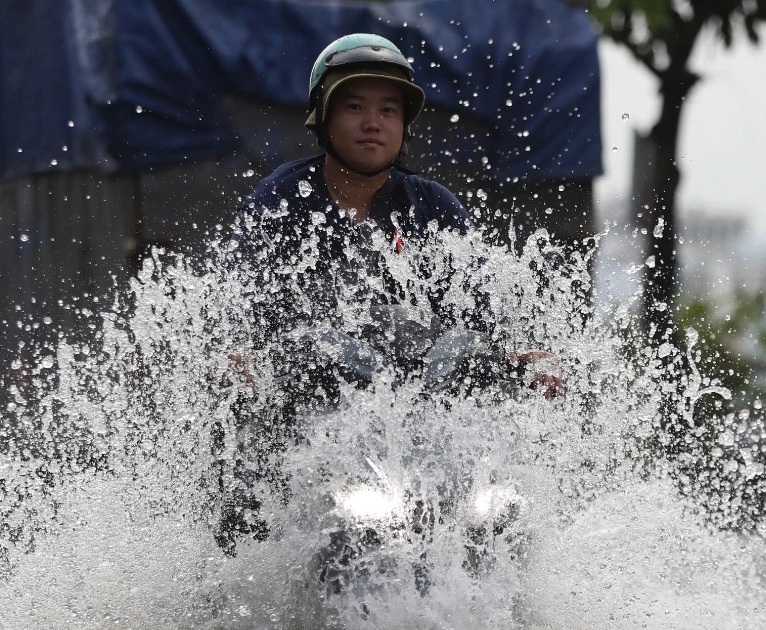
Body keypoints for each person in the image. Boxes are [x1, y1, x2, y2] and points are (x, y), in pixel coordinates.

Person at [230, 32, 564, 399]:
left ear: (404, 125)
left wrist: (522, 359)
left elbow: (481, 313)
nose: (373, 123)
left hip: (416, 400)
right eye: (354, 107)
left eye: (388, 110)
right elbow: (243, 303)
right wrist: (241, 357)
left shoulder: (432, 206)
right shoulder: (282, 198)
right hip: (313, 397)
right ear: (323, 117)